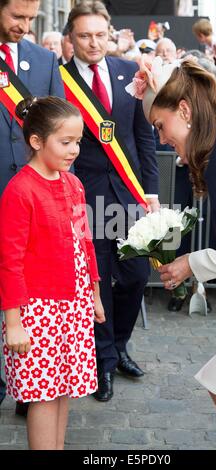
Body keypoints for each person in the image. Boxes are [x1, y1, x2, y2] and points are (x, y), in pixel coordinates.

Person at [128, 0, 216, 450]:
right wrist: (189, 263)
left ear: (184, 110)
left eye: (161, 127)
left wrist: (191, 264)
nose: (161, 141)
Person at [62, 1, 159, 402]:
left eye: (100, 34)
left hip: (130, 197)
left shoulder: (126, 72)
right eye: (85, 35)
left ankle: (118, 345)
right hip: (85, 199)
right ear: (71, 39)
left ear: (110, 33)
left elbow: (143, 137)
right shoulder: (60, 78)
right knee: (97, 283)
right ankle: (102, 361)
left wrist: (151, 191)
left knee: (136, 276)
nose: (94, 42)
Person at [0, 96, 105, 450]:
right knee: (43, 395)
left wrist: (94, 294)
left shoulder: (73, 184)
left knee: (63, 389)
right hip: (37, 311)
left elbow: (84, 241)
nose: (74, 149)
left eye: (77, 141)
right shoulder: (20, 190)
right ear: (36, 141)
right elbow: (9, 261)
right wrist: (13, 322)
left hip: (73, 305)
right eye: (65, 142)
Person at [0, 0, 64, 415]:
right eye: (16, 17)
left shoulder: (45, 60)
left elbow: (58, 129)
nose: (25, 26)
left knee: (32, 293)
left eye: (31, 18)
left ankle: (29, 385)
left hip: (33, 203)